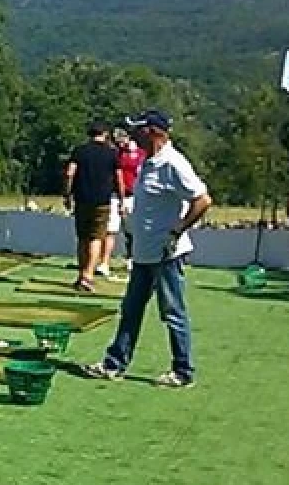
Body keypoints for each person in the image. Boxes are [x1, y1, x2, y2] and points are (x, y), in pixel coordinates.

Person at [83, 109, 211, 388]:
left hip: (166, 253)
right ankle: (114, 363)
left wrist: (177, 230)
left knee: (172, 312)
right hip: (144, 253)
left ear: (153, 131)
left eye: (139, 129)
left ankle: (182, 371)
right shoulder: (148, 162)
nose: (133, 134)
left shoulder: (173, 164)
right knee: (131, 309)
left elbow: (202, 200)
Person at [62, 121, 121, 291]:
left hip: (82, 199)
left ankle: (81, 274)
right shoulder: (112, 153)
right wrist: (122, 198)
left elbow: (69, 173)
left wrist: (67, 194)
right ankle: (88, 275)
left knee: (82, 237)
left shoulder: (80, 151)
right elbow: (119, 177)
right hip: (102, 200)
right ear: (105, 134)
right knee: (96, 237)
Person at [113, 126, 146, 266]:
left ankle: (132, 257)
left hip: (133, 194)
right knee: (118, 229)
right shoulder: (117, 154)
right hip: (118, 194)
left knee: (132, 229)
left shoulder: (140, 154)